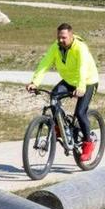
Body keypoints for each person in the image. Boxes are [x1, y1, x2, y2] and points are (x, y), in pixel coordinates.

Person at [26, 23, 99, 162]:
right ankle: (61, 127)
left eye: (64, 38)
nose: (60, 40)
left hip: (88, 81)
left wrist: (81, 87)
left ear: (71, 36)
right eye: (59, 37)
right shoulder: (56, 47)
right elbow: (45, 64)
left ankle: (88, 143)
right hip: (69, 81)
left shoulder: (80, 48)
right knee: (53, 97)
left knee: (80, 112)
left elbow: (83, 68)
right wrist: (35, 82)